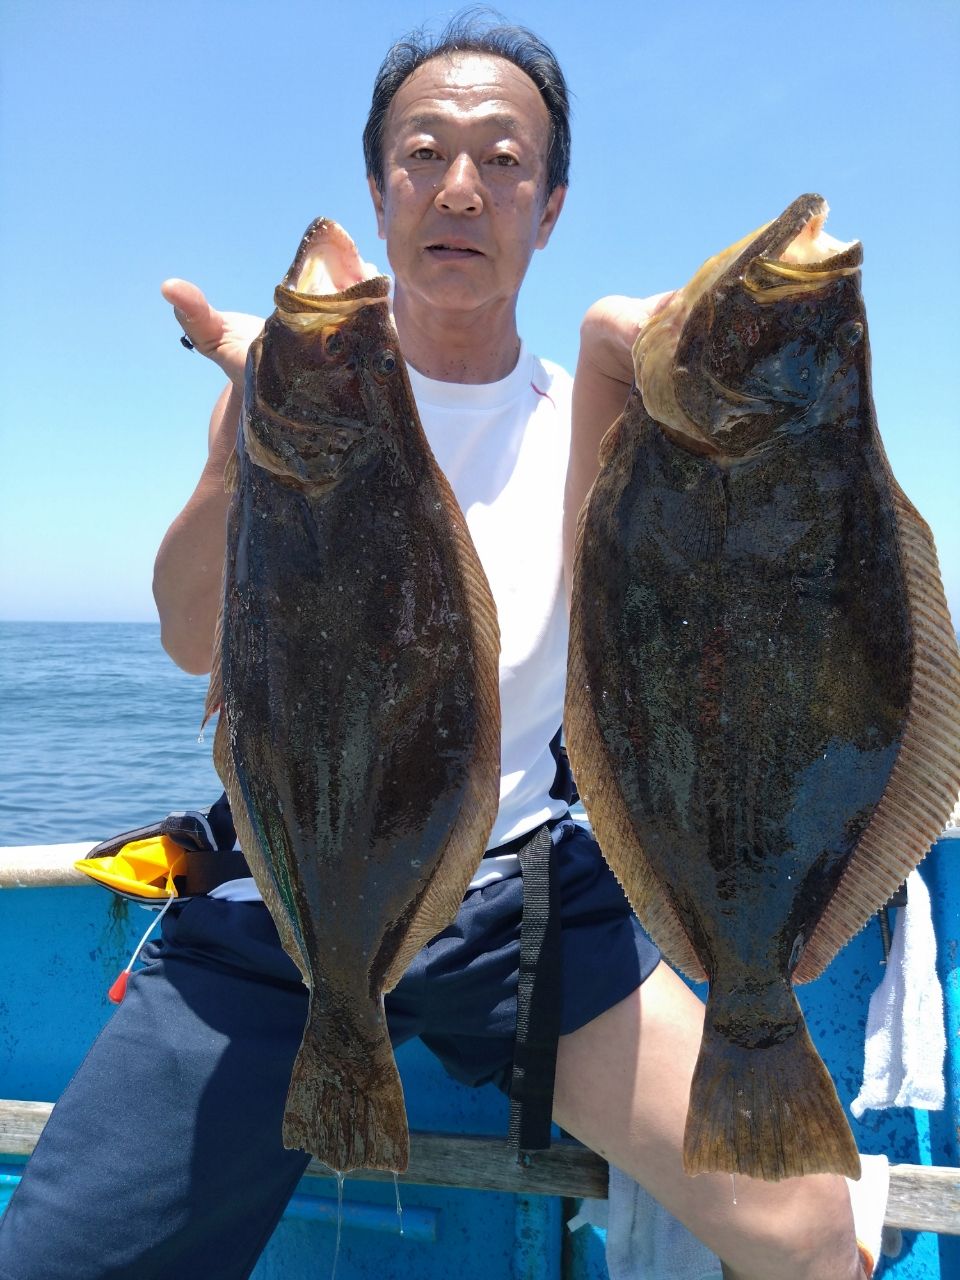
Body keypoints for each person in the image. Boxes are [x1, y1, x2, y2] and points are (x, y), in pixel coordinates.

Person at [0, 16, 868, 1280]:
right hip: (289, 892)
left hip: (516, 893)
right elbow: (195, 637)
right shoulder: (290, 392)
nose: (461, 187)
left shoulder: (587, 421)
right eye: (424, 152)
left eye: (505, 159)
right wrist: (252, 419)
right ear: (381, 187)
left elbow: (677, 647)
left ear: (550, 204)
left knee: (809, 1233)